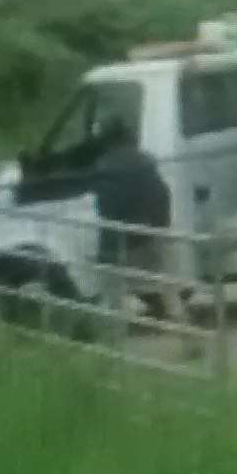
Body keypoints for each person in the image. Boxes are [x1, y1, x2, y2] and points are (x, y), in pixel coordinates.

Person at [87, 117, 173, 338]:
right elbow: (163, 194)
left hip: (124, 237)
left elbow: (107, 208)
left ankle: (114, 340)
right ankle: (188, 335)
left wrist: (105, 251)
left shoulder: (106, 166)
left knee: (112, 289)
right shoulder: (144, 160)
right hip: (150, 230)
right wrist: (161, 226)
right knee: (165, 285)